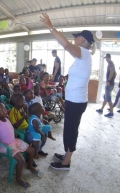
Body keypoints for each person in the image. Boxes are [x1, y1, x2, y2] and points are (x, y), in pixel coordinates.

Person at [40, 13, 95, 170]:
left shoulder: (83, 53)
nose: (74, 40)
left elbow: (65, 45)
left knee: (70, 130)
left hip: (76, 101)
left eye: (77, 37)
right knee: (70, 129)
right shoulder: (82, 57)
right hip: (75, 100)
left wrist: (50, 26)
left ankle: (66, 162)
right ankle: (66, 155)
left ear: (82, 40)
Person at [0, 103, 41, 188]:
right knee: (21, 160)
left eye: (4, 108)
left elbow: (11, 128)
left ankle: (29, 166)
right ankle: (18, 178)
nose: (5, 111)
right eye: (2, 110)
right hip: (6, 146)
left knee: (32, 151)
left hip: (14, 141)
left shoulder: (7, 119)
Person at [96, 53, 116, 118]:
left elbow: (112, 72)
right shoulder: (110, 64)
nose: (106, 59)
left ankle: (111, 112)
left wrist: (109, 81)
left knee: (108, 98)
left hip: (109, 84)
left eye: (107, 58)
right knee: (105, 97)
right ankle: (101, 109)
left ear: (109, 57)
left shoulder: (111, 64)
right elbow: (115, 73)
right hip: (110, 83)